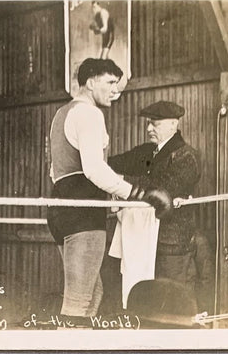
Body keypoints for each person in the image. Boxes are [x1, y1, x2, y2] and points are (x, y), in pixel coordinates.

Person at [47, 58, 173, 325]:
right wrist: (135, 193)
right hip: (82, 211)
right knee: (79, 300)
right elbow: (93, 169)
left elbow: (56, 172)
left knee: (93, 295)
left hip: (61, 207)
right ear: (91, 82)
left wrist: (111, 198)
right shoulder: (90, 114)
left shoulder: (62, 114)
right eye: (110, 82)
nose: (115, 90)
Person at [108, 100, 214, 314]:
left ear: (173, 125)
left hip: (172, 245)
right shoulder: (147, 152)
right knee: (149, 306)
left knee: (173, 307)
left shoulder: (187, 157)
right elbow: (111, 163)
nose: (148, 129)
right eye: (148, 123)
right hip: (143, 242)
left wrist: (120, 181)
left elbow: (163, 189)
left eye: (154, 124)